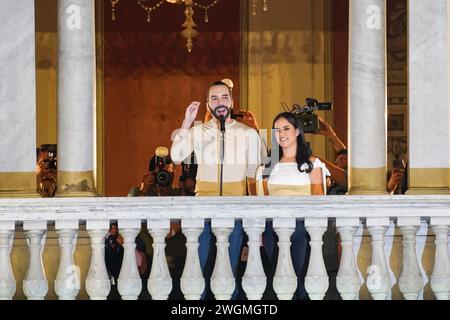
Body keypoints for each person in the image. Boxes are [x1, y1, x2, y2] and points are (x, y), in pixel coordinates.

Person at [170, 80, 265, 299]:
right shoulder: (198, 131)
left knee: (229, 269)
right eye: (214, 98)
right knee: (198, 267)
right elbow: (176, 157)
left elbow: (255, 176)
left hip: (236, 209)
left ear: (232, 101)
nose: (219, 102)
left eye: (224, 97)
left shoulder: (247, 134)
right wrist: (187, 121)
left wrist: (255, 219)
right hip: (202, 207)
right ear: (207, 104)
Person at [257, 112, 330, 300]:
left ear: (297, 131)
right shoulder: (268, 166)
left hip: (301, 230)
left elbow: (318, 200)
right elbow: (262, 201)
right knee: (279, 282)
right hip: (272, 230)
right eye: (276, 130)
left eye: (286, 128)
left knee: (299, 282)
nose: (281, 134)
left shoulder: (312, 164)